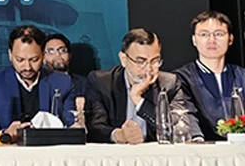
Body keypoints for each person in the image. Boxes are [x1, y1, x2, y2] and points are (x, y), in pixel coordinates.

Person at [85, 28, 202, 144]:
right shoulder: (102, 82)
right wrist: (119, 135)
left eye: (155, 61)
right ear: (124, 59)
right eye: (140, 61)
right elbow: (95, 128)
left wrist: (139, 100)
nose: (148, 69)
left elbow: (177, 126)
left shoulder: (169, 83)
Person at [0, 25, 75, 139]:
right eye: (20, 60)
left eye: (34, 60)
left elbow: (70, 127)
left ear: (43, 55)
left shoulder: (62, 83)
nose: (27, 67)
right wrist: (5, 134)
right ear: (10, 55)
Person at [174, 11, 245, 140]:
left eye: (219, 34)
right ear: (194, 40)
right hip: (203, 147)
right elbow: (187, 114)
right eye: (204, 34)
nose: (212, 40)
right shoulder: (181, 78)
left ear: (230, 39)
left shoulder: (242, 75)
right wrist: (197, 140)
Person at [44, 33, 88, 102]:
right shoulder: (38, 83)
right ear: (43, 57)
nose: (58, 55)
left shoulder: (84, 83)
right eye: (51, 51)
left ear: (70, 55)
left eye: (63, 50)